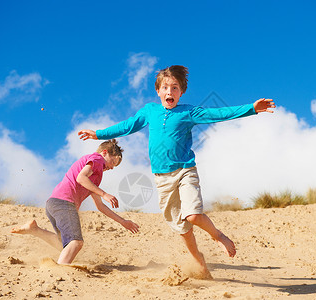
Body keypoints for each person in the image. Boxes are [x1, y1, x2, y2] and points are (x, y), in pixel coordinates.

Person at [78, 65, 275, 277]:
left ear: (181, 92)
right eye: (165, 87)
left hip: (184, 171)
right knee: (182, 227)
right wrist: (98, 134)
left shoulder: (188, 112)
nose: (169, 92)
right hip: (162, 179)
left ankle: (219, 236)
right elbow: (128, 126)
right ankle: (198, 261)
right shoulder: (149, 111)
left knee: (192, 216)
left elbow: (218, 114)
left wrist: (252, 108)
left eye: (175, 88)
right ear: (158, 91)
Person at [11, 139, 139, 264]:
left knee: (65, 245)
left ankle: (34, 230)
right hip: (64, 203)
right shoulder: (97, 159)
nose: (112, 167)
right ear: (104, 152)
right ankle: (59, 272)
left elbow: (100, 206)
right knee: (76, 242)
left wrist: (123, 222)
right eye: (113, 162)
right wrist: (104, 194)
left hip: (54, 204)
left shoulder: (95, 177)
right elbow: (81, 178)